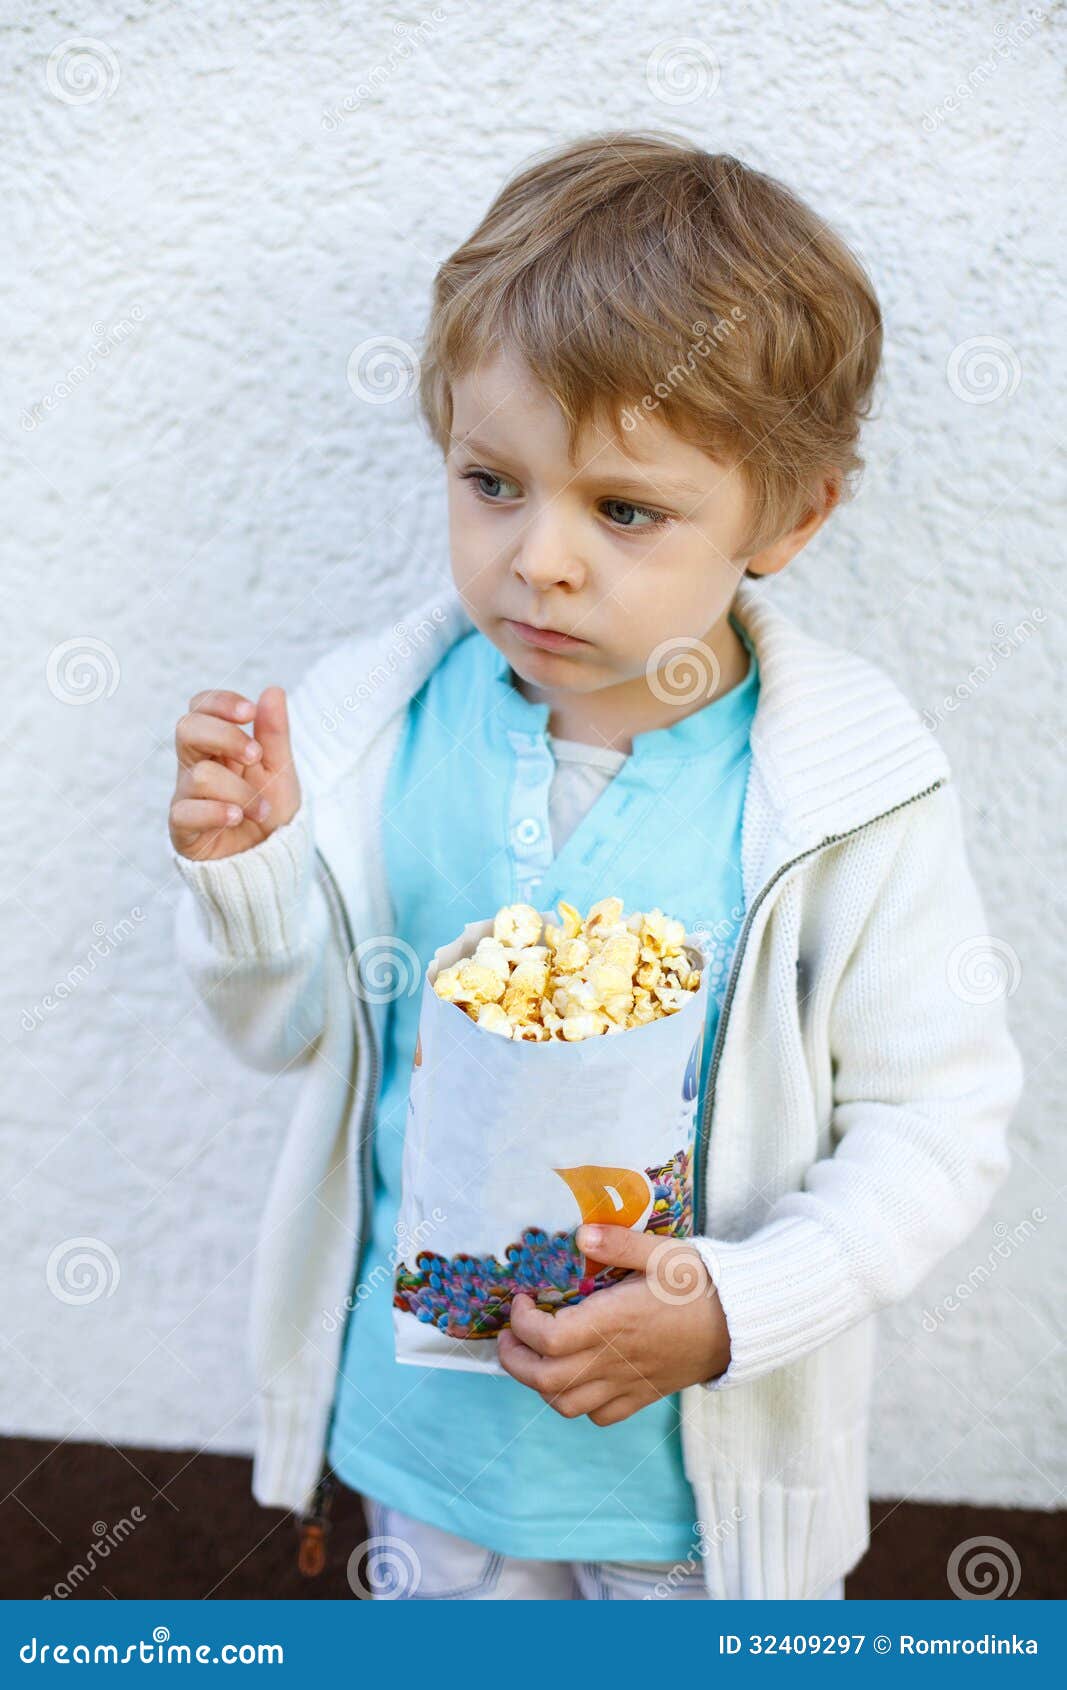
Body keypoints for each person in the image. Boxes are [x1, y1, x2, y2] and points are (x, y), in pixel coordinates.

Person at [168, 132, 1024, 1600]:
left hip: (691, 1502)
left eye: (624, 510)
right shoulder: (379, 740)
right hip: (430, 1458)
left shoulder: (847, 799)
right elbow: (294, 1033)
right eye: (492, 480)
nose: (540, 558)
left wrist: (731, 1302)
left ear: (793, 515)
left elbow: (937, 1123)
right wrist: (250, 873)